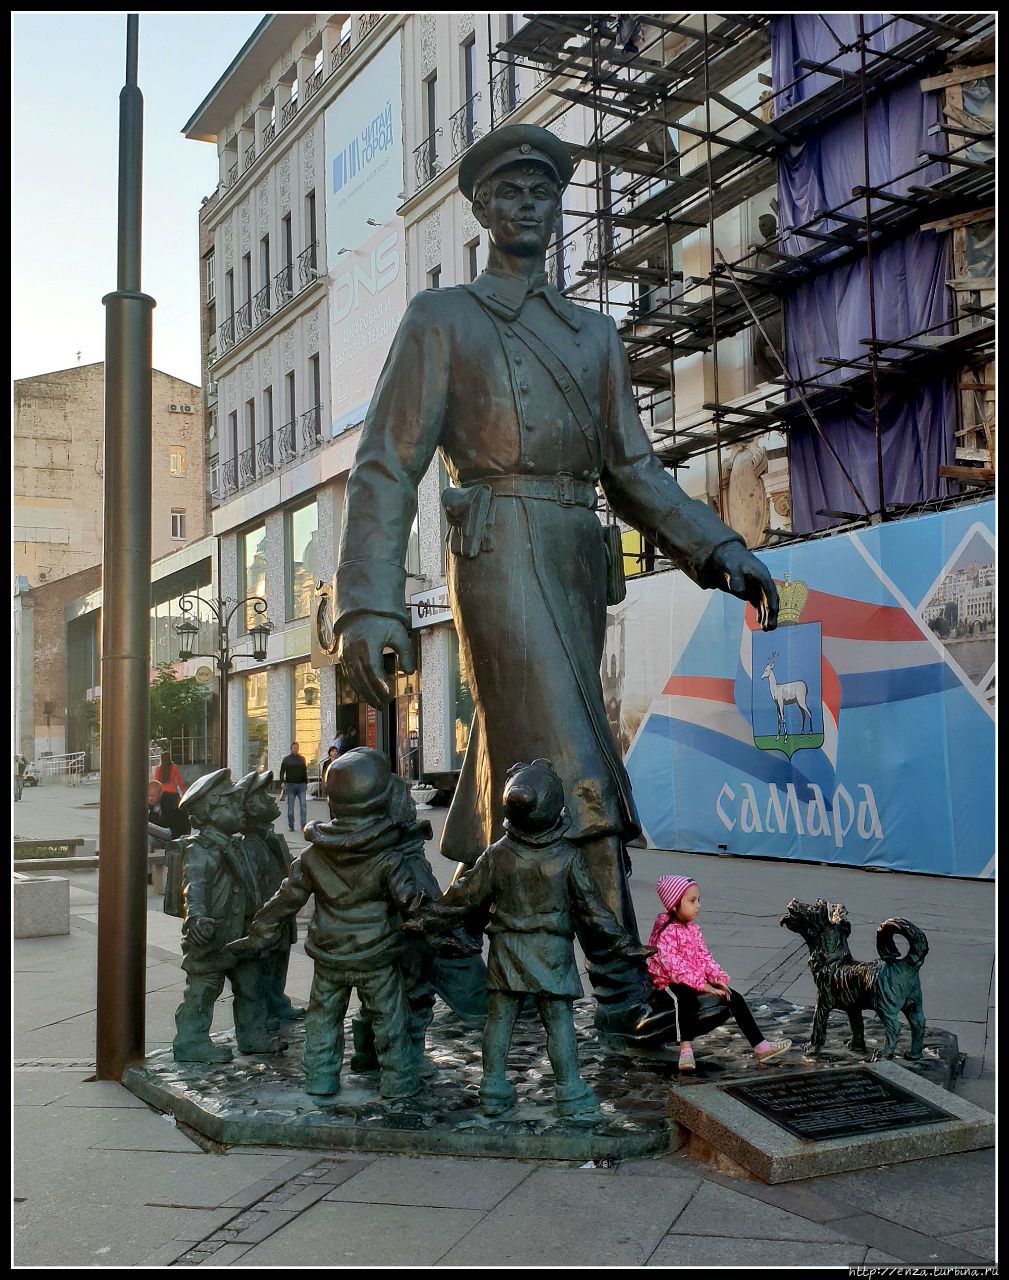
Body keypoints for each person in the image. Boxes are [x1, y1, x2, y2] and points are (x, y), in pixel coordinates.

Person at [331, 122, 779, 1043]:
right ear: (482, 208)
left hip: (578, 564)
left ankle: (439, 938)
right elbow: (386, 464)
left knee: (529, 772)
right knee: (577, 770)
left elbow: (637, 470)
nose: (528, 205)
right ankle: (623, 991)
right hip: (496, 552)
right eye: (510, 192)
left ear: (556, 208)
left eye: (543, 192)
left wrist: (718, 549)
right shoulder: (443, 319)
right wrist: (367, 601)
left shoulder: (593, 336)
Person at [407, 759, 652, 1118]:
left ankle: (492, 1086)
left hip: (508, 948)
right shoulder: (568, 858)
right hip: (551, 951)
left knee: (500, 1019)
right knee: (558, 1021)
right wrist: (625, 944)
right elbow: (595, 913)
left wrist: (426, 919)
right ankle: (568, 1088)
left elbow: (462, 898)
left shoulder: (498, 855)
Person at [229, 748, 433, 1099]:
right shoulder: (389, 858)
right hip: (377, 957)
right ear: (383, 801)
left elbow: (284, 901)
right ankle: (398, 1081)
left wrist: (259, 933)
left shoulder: (312, 856)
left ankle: (320, 1078)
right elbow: (412, 904)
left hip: (328, 957)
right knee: (390, 1020)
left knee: (322, 1020)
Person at [171, 769, 284, 1063]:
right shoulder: (201, 850)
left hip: (243, 933)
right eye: (232, 806)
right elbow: (193, 886)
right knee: (203, 989)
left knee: (251, 984)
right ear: (209, 812)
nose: (240, 810)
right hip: (212, 934)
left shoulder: (238, 843)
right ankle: (190, 1040)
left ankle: (252, 1034)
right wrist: (195, 918)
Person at [646, 875, 792, 1072]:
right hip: (669, 982)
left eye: (698, 900)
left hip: (694, 979)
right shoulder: (666, 933)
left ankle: (761, 1046)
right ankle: (686, 1050)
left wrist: (717, 979)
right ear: (674, 905)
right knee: (684, 999)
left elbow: (705, 958)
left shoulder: (693, 929)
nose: (698, 905)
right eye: (691, 901)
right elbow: (675, 968)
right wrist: (702, 985)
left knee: (735, 997)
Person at [153, 750, 188, 837]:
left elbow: (156, 782)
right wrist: (184, 793)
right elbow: (180, 782)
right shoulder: (174, 767)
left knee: (163, 813)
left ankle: (164, 829)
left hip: (163, 794)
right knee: (176, 813)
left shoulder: (158, 769)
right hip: (173, 794)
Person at [278, 741, 308, 832]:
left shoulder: (302, 759)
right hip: (290, 785)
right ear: (291, 749)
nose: (295, 749)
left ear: (298, 749)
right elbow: (282, 771)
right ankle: (291, 825)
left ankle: (303, 824)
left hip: (301, 785)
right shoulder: (286, 759)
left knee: (303, 805)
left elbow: (304, 771)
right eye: (294, 747)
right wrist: (282, 781)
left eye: (297, 747)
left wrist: (306, 782)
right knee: (290, 807)